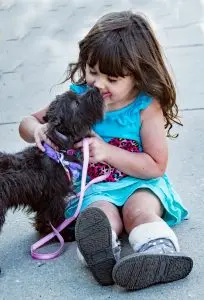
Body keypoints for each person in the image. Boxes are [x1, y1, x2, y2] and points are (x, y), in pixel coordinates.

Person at [19, 11, 193, 290]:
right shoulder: (77, 95)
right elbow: (27, 123)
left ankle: (159, 254)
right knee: (99, 214)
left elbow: (156, 165)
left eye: (111, 79)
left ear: (137, 76)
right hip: (94, 188)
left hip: (139, 182)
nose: (99, 84)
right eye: (93, 72)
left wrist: (108, 152)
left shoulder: (146, 106)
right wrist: (37, 131)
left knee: (138, 211)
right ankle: (100, 255)